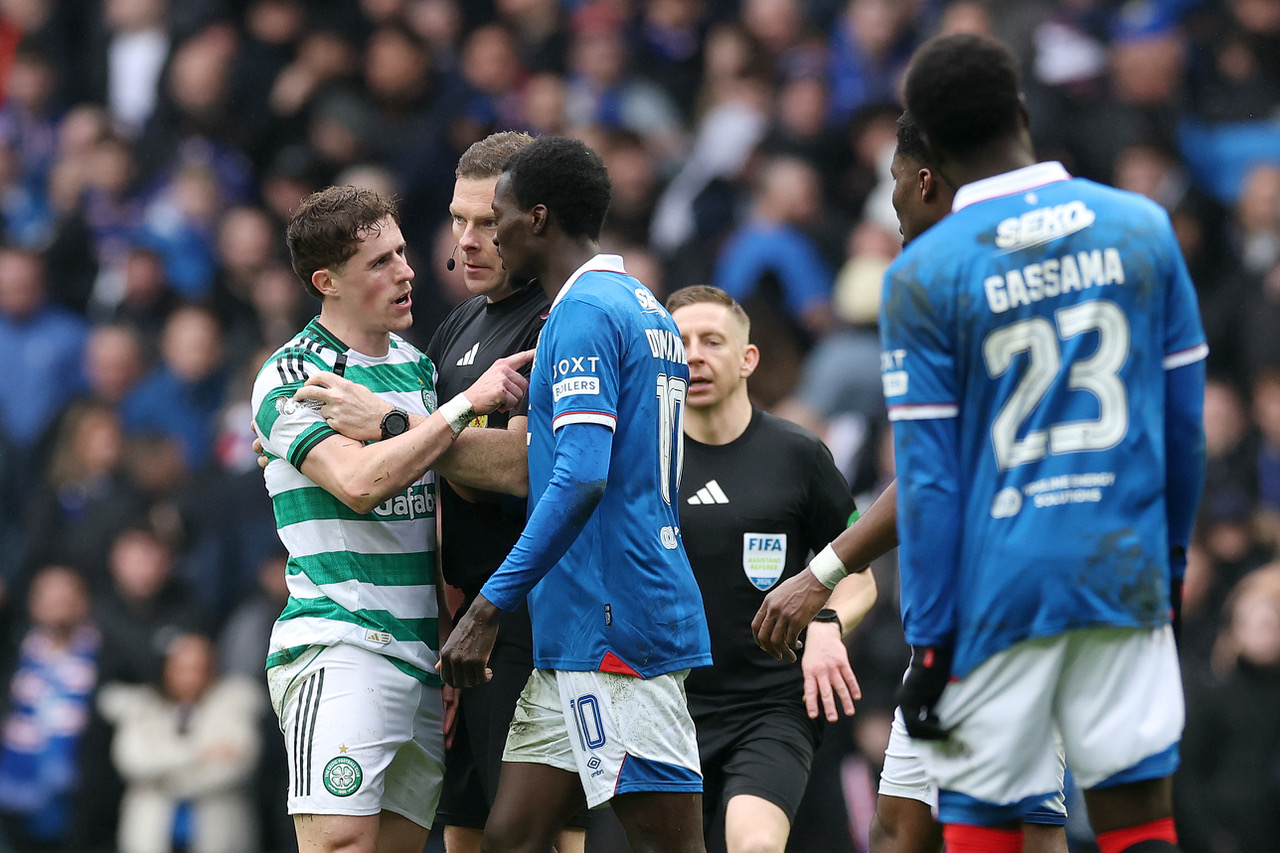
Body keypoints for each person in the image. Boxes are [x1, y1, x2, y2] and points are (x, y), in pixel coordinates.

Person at [782, 33, 1207, 853]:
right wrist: (1173, 568)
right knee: (1139, 823)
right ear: (1020, 114)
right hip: (1124, 568)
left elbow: (933, 482)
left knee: (979, 827)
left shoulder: (929, 271)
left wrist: (934, 641)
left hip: (999, 592)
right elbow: (1182, 434)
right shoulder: (1143, 227)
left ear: (927, 157)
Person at [754, 110, 1071, 853]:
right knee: (899, 829)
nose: (891, 204)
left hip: (1004, 610)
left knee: (1021, 833)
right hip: (953, 615)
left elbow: (931, 469)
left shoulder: (954, 290)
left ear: (925, 180)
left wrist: (821, 572)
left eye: (894, 183)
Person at [439, 135, 712, 853]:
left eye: (495, 216)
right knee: (510, 840)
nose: (487, 233)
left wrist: (489, 605)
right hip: (580, 633)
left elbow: (583, 475)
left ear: (536, 218)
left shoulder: (585, 314)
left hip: (615, 626)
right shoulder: (641, 305)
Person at [250, 185, 532, 853]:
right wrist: (467, 405)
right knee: (341, 841)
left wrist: (447, 635)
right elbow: (357, 482)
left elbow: (432, 514)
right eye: (379, 262)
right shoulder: (295, 372)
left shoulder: (417, 369)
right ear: (329, 282)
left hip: (420, 656)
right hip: (341, 642)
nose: (406, 272)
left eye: (402, 253)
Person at [665, 284, 876, 853]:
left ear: (747, 358)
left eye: (712, 341)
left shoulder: (799, 454)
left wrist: (829, 628)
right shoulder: (640, 458)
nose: (694, 356)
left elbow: (857, 574)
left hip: (768, 707)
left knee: (755, 844)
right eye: (680, 341)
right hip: (661, 706)